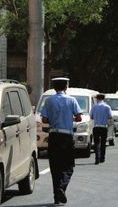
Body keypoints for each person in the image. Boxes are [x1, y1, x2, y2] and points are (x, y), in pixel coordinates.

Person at [41, 77, 82, 205]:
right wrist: (69, 118)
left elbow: (44, 120)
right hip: (66, 137)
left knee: (55, 167)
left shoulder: (49, 101)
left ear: (54, 88)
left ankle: (57, 197)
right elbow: (79, 117)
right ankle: (61, 188)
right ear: (66, 87)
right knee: (68, 165)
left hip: (53, 136)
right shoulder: (71, 100)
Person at [90, 93, 113, 165]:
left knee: (96, 143)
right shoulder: (107, 107)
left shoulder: (94, 106)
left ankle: (97, 159)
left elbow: (91, 116)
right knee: (103, 143)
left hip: (96, 127)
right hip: (104, 127)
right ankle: (102, 158)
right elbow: (110, 117)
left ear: (97, 99)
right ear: (103, 99)